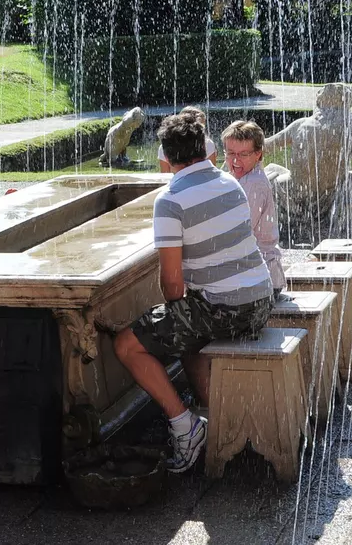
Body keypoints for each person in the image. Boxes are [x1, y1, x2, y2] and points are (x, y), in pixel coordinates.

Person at [113, 112, 276, 473]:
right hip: (261, 300)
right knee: (184, 325)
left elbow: (172, 286)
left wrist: (171, 315)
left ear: (167, 157)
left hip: (228, 311)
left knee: (126, 344)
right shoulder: (229, 182)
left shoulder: (170, 201)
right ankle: (209, 409)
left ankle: (184, 427)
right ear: (205, 147)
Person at [221, 120, 287, 294]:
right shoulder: (241, 176)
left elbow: (240, 232)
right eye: (230, 153)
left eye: (243, 154)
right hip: (255, 275)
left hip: (262, 281)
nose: (235, 160)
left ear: (258, 154)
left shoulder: (253, 184)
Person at [158, 105, 217, 172]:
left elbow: (212, 172)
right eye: (199, 128)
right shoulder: (165, 147)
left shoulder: (208, 144)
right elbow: (165, 175)